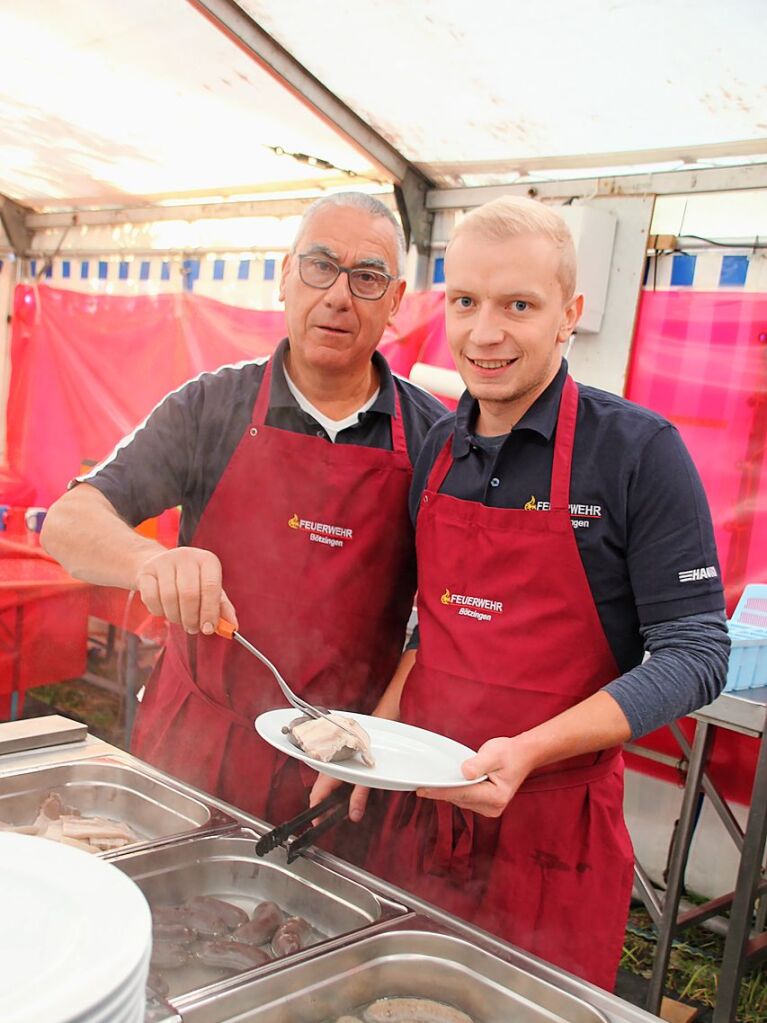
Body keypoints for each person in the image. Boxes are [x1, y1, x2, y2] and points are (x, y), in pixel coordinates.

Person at [311, 195, 730, 989]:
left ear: (568, 314)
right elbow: (427, 627)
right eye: (465, 302)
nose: (484, 332)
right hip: (419, 812)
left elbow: (696, 651)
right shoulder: (434, 446)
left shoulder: (638, 452)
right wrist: (371, 741)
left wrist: (530, 750)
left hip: (552, 837)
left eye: (518, 305)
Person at [41, 192, 446, 841]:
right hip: (191, 745)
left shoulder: (435, 440)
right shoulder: (211, 406)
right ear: (285, 274)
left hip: (339, 770)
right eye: (319, 266)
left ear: (395, 301)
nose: (339, 295)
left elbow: (450, 616)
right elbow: (67, 521)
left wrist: (382, 731)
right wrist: (149, 559)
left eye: (366, 277)